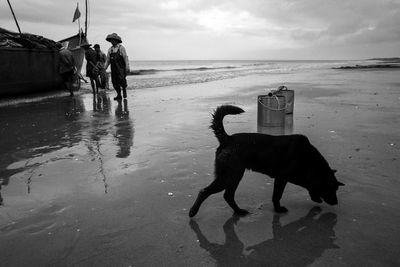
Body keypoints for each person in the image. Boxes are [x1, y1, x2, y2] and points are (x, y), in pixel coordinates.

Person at [104, 33, 130, 100]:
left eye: (113, 40)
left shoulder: (121, 48)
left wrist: (127, 66)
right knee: (114, 82)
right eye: (111, 40)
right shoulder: (110, 49)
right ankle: (119, 95)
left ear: (116, 40)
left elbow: (125, 58)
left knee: (122, 80)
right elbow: (107, 60)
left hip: (121, 68)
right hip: (113, 68)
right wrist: (104, 68)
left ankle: (124, 89)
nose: (111, 42)